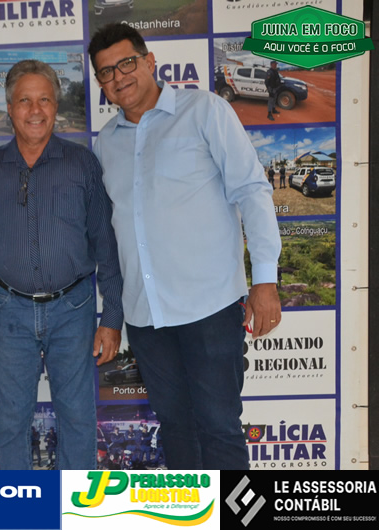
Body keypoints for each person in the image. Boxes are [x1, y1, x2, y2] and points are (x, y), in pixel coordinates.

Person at [88, 23, 281, 470]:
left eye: (126, 64)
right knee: (175, 428)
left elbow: (252, 191)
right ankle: (193, 508)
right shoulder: (106, 142)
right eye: (106, 72)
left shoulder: (204, 111)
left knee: (219, 428)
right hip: (146, 316)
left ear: (149, 61)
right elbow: (113, 233)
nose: (118, 77)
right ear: (100, 83)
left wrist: (265, 280)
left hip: (209, 307)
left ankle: (231, 507)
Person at [0, 60, 124, 470]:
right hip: (10, 310)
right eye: (24, 101)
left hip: (73, 308)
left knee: (78, 418)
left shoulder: (82, 164)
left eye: (45, 100)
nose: (35, 110)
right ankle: (20, 502)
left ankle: (75, 503)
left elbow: (105, 243)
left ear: (55, 106)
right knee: (11, 421)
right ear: (9, 107)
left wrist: (112, 317)